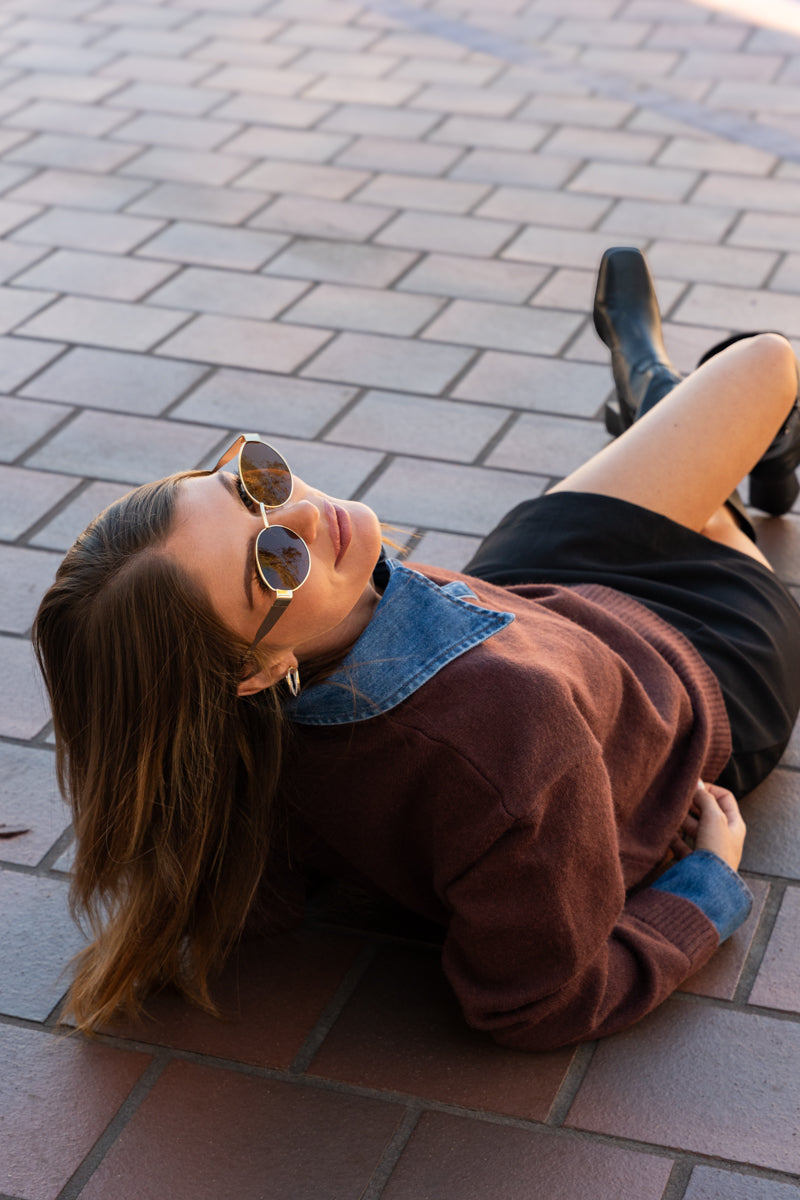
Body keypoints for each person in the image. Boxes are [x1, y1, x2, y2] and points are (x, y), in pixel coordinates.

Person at [34, 248, 800, 1051]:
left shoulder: (251, 702)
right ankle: (687, 415)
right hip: (696, 665)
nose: (300, 515)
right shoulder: (509, 737)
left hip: (533, 589)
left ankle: (711, 432)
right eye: (272, 564)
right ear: (254, 672)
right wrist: (706, 888)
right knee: (762, 370)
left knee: (752, 384)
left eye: (252, 484)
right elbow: (540, 1002)